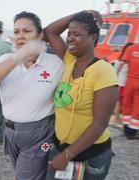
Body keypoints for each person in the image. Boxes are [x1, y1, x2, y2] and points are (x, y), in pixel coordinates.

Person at [0, 11, 63, 180]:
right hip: (9, 132)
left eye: (27, 31)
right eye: (16, 32)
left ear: (39, 36)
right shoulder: (7, 59)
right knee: (22, 173)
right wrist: (19, 57)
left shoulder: (55, 64)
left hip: (39, 133)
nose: (20, 36)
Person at [45, 11, 118, 179]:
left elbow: (99, 124)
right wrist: (80, 14)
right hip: (60, 147)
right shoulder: (69, 59)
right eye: (69, 34)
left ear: (93, 38)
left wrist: (66, 155)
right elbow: (49, 32)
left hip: (89, 156)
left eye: (76, 34)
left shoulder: (104, 72)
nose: (70, 38)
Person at [119, 42, 139, 139]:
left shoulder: (130, 48)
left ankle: (126, 126)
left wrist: (115, 74)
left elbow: (122, 63)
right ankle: (131, 132)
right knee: (137, 107)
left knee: (126, 103)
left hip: (129, 81)